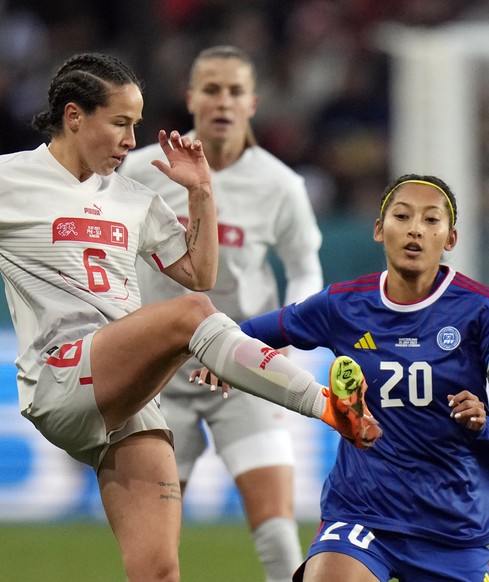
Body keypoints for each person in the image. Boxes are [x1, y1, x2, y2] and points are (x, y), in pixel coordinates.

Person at [0, 52, 381, 582]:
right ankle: (326, 405)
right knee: (192, 318)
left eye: (136, 125)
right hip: (63, 374)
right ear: (73, 117)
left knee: (158, 570)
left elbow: (198, 272)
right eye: (120, 124)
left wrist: (201, 192)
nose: (132, 140)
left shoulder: (133, 195)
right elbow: (197, 301)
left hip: (128, 398)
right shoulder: (11, 179)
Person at [235, 174, 489, 581]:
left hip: (450, 526)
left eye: (432, 220)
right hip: (362, 514)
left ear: (450, 238)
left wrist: (486, 424)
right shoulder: (343, 304)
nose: (416, 228)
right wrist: (220, 357)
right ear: (380, 230)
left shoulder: (483, 310)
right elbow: (250, 334)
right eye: (402, 216)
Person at [119, 45, 322, 580]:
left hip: (243, 373)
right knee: (153, 552)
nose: (222, 100)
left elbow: (305, 269)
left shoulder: (281, 185)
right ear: (191, 98)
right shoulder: (142, 172)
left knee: (278, 531)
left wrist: (281, 340)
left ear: (253, 102)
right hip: (158, 377)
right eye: (211, 88)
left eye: (235, 90)